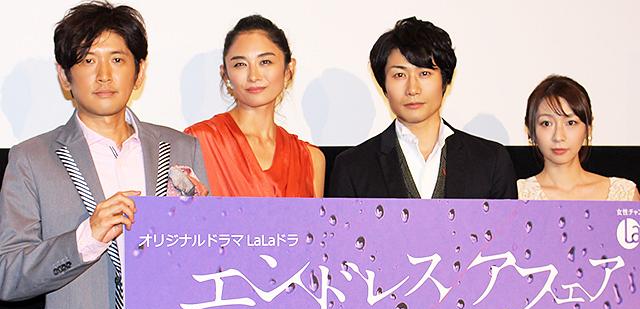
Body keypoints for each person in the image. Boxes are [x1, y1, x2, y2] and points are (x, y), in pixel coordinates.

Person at [0, 1, 209, 309]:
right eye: (87, 60)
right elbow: (8, 275)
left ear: (139, 71)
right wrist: (88, 237)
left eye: (117, 59)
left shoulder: (181, 147)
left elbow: (206, 257)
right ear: (64, 75)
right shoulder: (31, 159)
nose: (103, 75)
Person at [329, 17, 517, 199]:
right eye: (399, 75)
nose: (412, 89)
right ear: (384, 86)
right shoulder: (352, 167)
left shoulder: (491, 161)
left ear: (444, 80)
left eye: (424, 73)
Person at [185, 15, 325, 197]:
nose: (254, 76)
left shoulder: (311, 160)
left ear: (289, 69)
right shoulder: (197, 142)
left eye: (265, 62)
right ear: (225, 75)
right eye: (240, 64)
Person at [518, 75, 639, 201]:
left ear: (588, 128)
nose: (558, 137)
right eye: (546, 123)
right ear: (530, 130)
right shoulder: (516, 194)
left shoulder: (624, 194)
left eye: (570, 123)